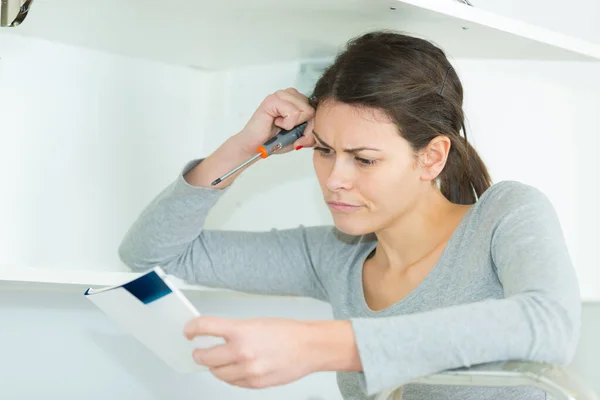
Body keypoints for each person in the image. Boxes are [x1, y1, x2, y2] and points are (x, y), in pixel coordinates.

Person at [118, 30, 581, 400]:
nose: (334, 178)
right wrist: (244, 146)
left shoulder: (503, 216)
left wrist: (320, 346)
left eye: (363, 159)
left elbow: (550, 326)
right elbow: (151, 253)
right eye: (323, 150)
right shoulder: (335, 257)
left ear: (432, 157)